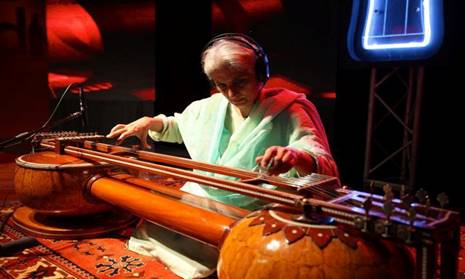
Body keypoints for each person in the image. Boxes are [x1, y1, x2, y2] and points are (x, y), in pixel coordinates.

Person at [106, 33, 339, 278]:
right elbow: (179, 126)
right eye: (221, 85)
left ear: (261, 75)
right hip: (207, 189)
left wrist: (293, 156)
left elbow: (318, 158)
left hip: (258, 202)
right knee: (157, 226)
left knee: (235, 253)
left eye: (240, 82)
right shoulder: (213, 106)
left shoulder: (290, 109)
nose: (231, 93)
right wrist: (150, 122)